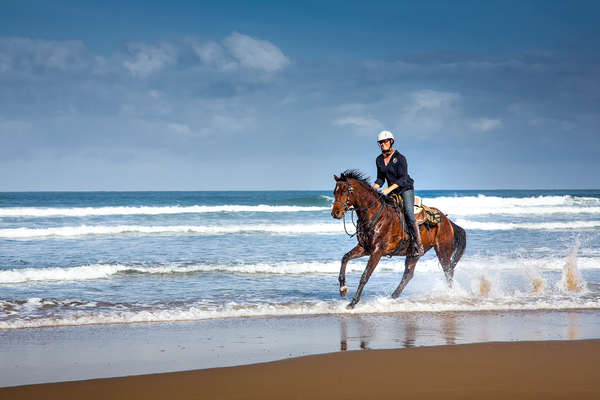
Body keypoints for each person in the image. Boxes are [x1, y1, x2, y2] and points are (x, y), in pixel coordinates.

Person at [372, 130, 424, 256]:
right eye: (380, 143)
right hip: (392, 191)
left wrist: (389, 189)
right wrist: (372, 189)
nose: (382, 144)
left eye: (385, 142)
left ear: (391, 142)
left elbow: (403, 178)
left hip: (405, 188)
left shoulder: (400, 158)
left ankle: (418, 244)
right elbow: (380, 178)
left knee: (408, 213)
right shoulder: (379, 160)